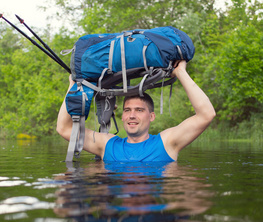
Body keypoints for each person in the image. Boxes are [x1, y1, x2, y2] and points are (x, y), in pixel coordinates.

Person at [56, 60, 216, 162]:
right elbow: (65, 128)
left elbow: (206, 115)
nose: (132, 115)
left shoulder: (167, 142)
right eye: (127, 110)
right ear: (123, 115)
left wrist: (181, 73)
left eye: (139, 110)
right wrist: (73, 87)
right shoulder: (106, 144)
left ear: (151, 116)